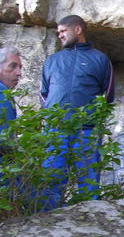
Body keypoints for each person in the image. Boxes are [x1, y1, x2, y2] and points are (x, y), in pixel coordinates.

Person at [40, 15, 114, 208]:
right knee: (51, 179)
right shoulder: (52, 61)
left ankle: (90, 218)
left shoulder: (100, 59)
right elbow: (43, 94)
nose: (60, 35)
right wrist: (51, 115)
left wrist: (90, 117)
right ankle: (46, 220)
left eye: (63, 31)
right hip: (55, 130)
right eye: (58, 32)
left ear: (78, 29)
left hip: (86, 130)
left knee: (88, 181)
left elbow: (107, 96)